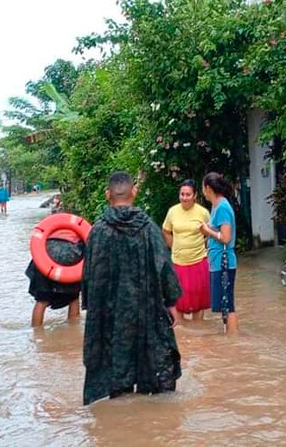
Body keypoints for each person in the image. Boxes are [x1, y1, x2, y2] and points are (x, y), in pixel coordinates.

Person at [81, 171, 183, 405]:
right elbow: (165, 268)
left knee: (117, 373)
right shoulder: (149, 228)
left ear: (108, 195)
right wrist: (172, 303)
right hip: (147, 311)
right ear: (134, 192)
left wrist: (92, 309)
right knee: (156, 367)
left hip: (111, 315)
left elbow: (88, 277)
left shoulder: (98, 232)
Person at [162, 179, 211, 321]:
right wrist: (174, 247)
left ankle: (199, 337)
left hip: (198, 262)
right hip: (178, 262)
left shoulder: (203, 213)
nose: (184, 197)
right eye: (182, 194)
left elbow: (211, 233)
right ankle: (184, 338)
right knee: (178, 303)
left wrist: (202, 246)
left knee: (198, 304)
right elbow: (166, 231)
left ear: (195, 196)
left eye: (188, 194)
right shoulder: (172, 212)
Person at [199, 172, 238, 335]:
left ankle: (233, 337)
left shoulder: (221, 207)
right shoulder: (216, 206)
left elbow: (226, 237)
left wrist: (207, 230)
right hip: (217, 261)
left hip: (224, 261)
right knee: (223, 303)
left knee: (228, 304)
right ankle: (228, 337)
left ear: (207, 188)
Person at [26, 228, 83, 327]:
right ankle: (74, 329)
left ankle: (36, 333)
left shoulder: (50, 226)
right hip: (71, 254)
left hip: (45, 256)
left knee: (42, 300)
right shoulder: (79, 226)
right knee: (73, 297)